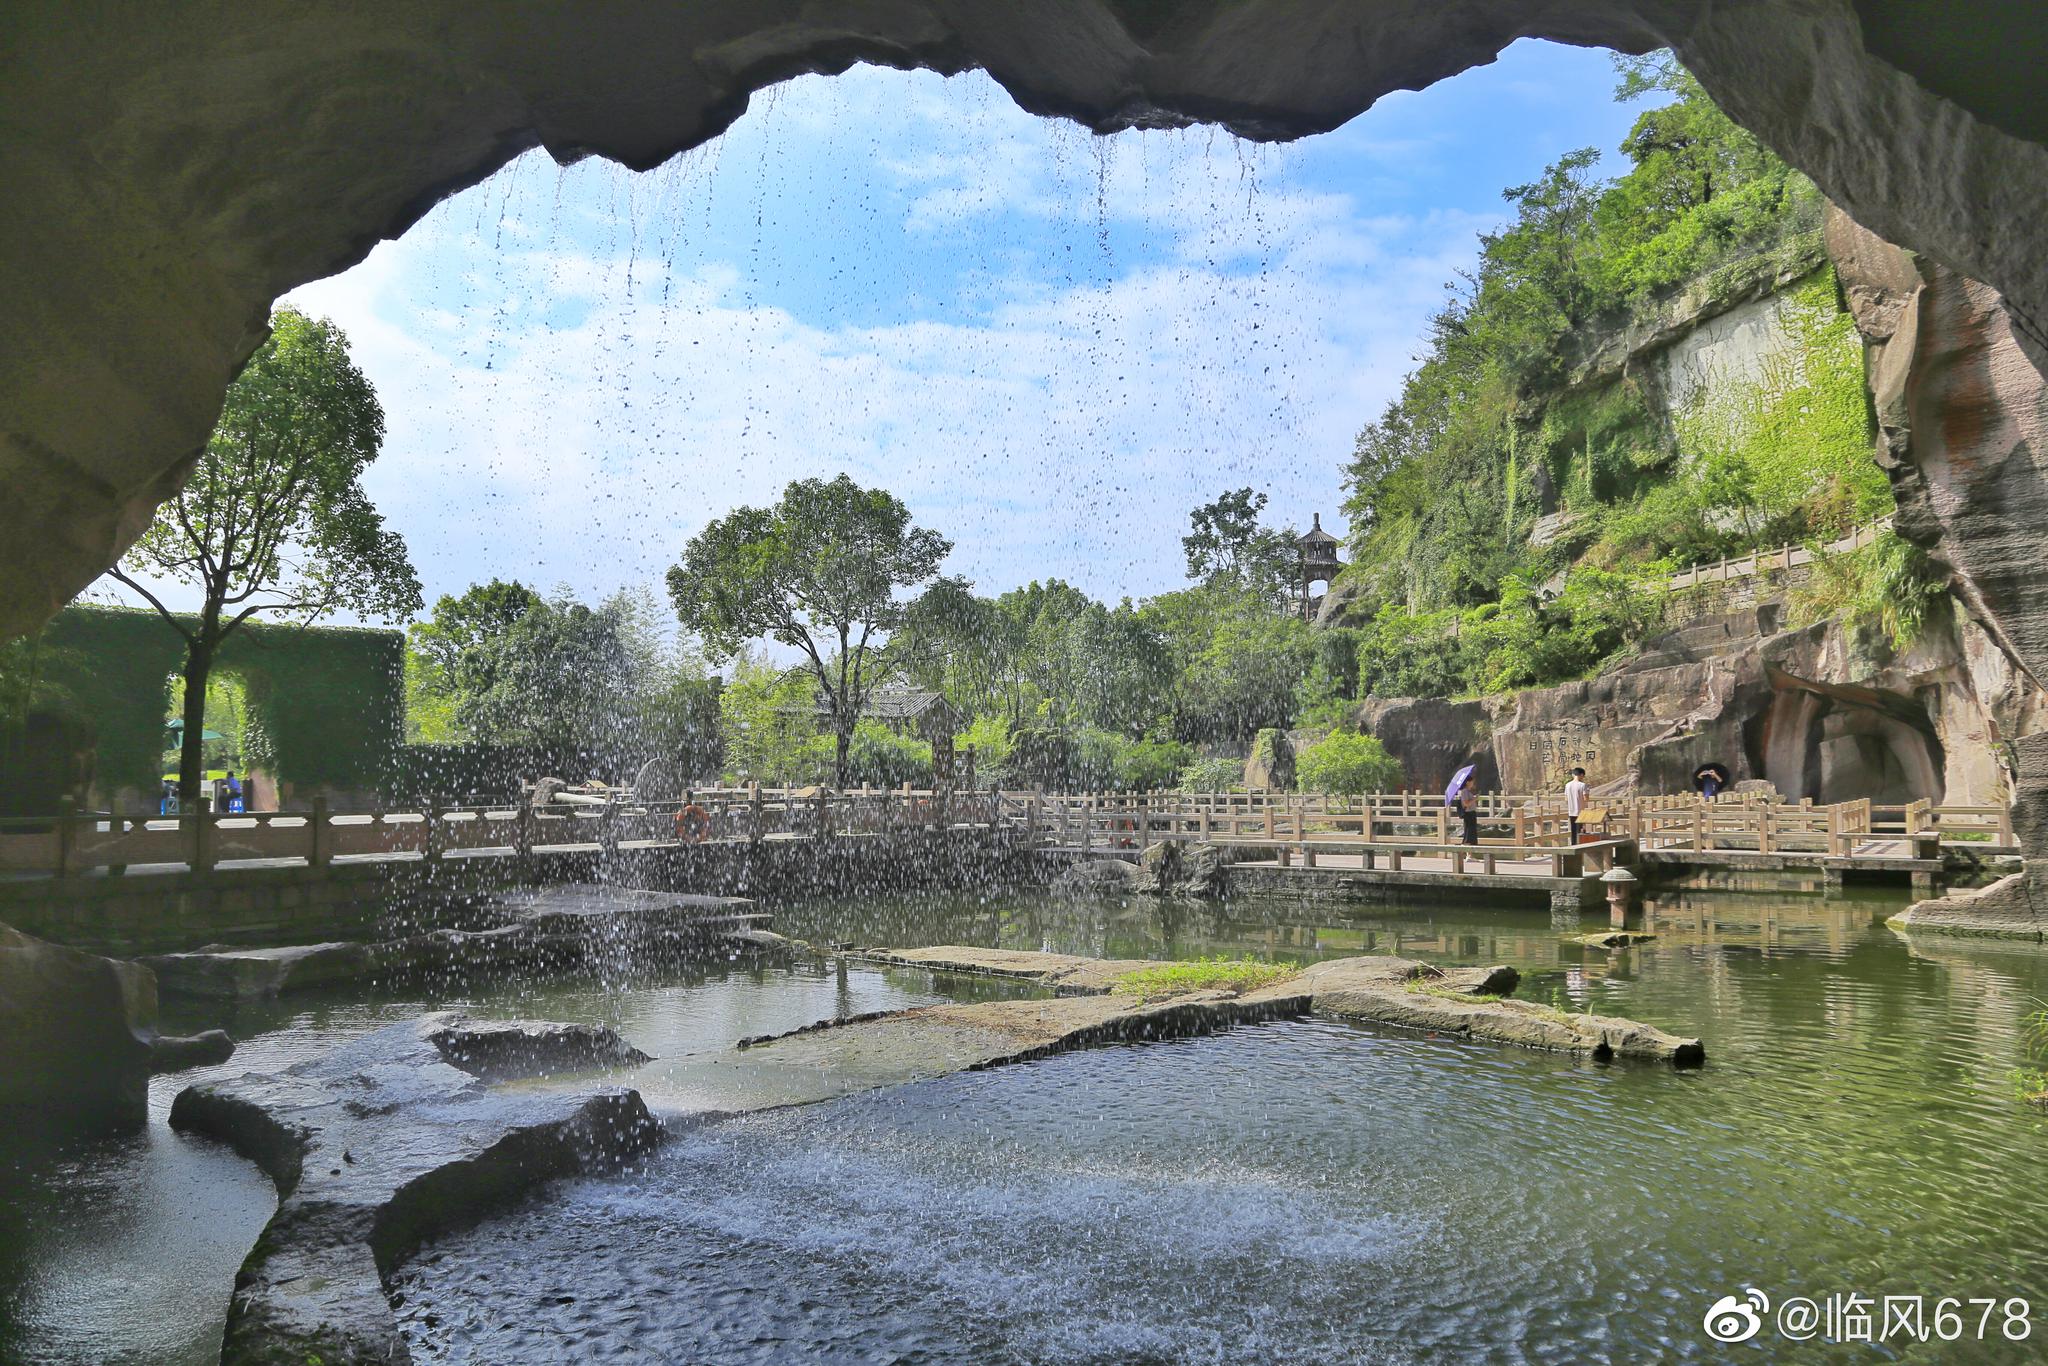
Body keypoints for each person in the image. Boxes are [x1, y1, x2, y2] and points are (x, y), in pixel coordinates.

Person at [1565, 767, 1588, 844]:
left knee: (1573, 831)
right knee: (1580, 831)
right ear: (1581, 774)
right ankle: (1579, 847)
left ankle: (1573, 846)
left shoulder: (1567, 785)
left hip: (1571, 811)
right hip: (1580, 811)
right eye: (1583, 776)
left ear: (1573, 774)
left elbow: (1566, 799)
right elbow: (1586, 798)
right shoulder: (1583, 785)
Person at [1456, 776, 1480, 846]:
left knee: (1472, 834)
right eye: (1472, 782)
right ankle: (1467, 853)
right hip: (1468, 814)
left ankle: (1470, 854)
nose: (1473, 783)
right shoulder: (1464, 791)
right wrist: (1474, 799)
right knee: (1468, 834)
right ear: (1467, 782)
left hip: (1472, 813)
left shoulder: (1468, 791)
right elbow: (1466, 803)